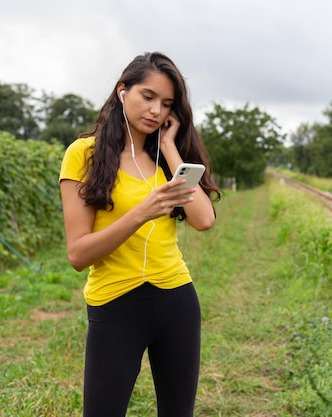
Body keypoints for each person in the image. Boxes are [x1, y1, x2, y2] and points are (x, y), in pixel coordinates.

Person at [59, 51, 221, 417]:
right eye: (147, 97)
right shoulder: (83, 154)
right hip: (115, 305)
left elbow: (204, 219)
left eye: (166, 104)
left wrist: (169, 147)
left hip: (176, 301)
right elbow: (78, 255)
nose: (156, 111)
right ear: (122, 91)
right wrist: (142, 213)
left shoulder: (167, 156)